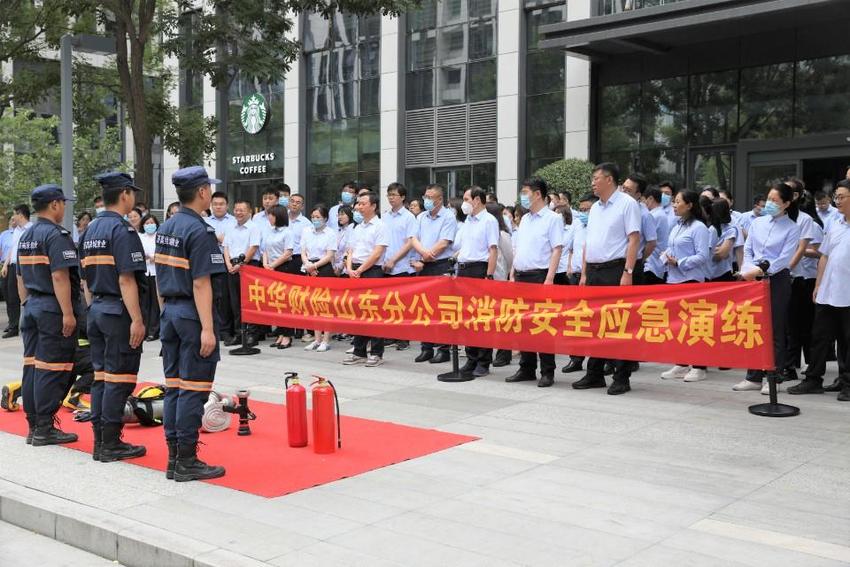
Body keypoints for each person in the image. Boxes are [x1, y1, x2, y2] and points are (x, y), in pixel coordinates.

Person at [155, 165, 227, 482]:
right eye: (208, 189)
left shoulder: (167, 227)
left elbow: (159, 277)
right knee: (193, 390)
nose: (210, 193)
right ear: (201, 192)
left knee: (174, 388)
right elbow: (201, 284)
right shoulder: (199, 231)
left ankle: (174, 457)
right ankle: (186, 459)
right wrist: (208, 329)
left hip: (170, 313)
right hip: (190, 316)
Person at [80, 172, 148, 462]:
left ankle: (100, 439)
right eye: (132, 192)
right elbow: (127, 280)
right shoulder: (122, 231)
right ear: (124, 195)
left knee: (100, 377)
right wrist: (137, 319)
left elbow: (84, 279)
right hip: (118, 311)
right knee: (119, 379)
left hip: (96, 308)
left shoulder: (89, 230)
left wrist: (93, 308)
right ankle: (110, 442)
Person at [17, 184, 81, 446]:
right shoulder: (56, 236)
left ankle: (34, 425)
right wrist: (68, 313)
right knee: (51, 368)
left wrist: (25, 305)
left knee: (32, 366)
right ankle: (44, 426)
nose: (64, 207)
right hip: (51, 308)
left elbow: (19, 276)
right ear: (54, 205)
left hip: (32, 306)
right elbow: (59, 275)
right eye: (63, 203)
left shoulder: (27, 236)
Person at [574, 163, 641, 395]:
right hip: (593, 271)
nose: (592, 183)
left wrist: (628, 272)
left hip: (616, 270)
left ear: (609, 179)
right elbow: (588, 242)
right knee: (594, 324)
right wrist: (584, 273)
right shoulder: (594, 209)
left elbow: (634, 240)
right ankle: (594, 373)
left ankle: (621, 376)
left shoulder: (627, 204)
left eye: (596, 178)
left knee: (618, 324)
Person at [733, 182, 802, 395]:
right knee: (753, 325)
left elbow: (784, 259)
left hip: (776, 279)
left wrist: (762, 270)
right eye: (768, 199)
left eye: (775, 201)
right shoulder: (757, 223)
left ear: (787, 203)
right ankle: (753, 375)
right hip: (752, 278)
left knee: (775, 328)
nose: (769, 203)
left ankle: (774, 376)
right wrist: (749, 269)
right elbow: (749, 247)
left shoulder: (792, 227)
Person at [788, 179, 850, 400]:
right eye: (837, 197)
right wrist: (818, 285)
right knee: (819, 337)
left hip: (848, 294)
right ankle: (813, 379)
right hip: (828, 291)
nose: (838, 201)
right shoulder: (835, 224)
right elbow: (824, 256)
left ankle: (847, 383)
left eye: (842, 197)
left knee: (846, 341)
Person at [506, 178, 563, 388]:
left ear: (537, 194)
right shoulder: (526, 219)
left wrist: (549, 278)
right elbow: (519, 248)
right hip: (520, 275)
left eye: (525, 191)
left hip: (539, 276)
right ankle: (526, 367)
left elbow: (557, 249)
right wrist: (512, 272)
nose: (522, 196)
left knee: (542, 325)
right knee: (523, 325)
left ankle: (547, 371)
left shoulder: (552, 219)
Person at [445, 186, 499, 381]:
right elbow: (465, 246)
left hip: (479, 269)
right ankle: (471, 357)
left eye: (467, 199)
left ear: (477, 200)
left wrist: (489, 276)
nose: (464, 203)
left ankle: (483, 362)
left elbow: (493, 250)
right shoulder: (468, 220)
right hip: (464, 269)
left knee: (481, 318)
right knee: (467, 317)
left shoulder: (489, 221)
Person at [659, 190, 711, 382]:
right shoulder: (676, 226)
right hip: (673, 280)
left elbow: (703, 256)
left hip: (691, 280)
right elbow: (670, 248)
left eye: (677, 201)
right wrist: (665, 258)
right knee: (679, 325)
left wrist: (680, 262)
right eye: (673, 202)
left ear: (689, 205)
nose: (673, 205)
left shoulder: (699, 228)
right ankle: (681, 363)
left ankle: (699, 366)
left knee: (694, 324)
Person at [410, 184, 457, 363]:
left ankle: (444, 349)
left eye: (430, 197)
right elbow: (413, 238)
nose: (426, 200)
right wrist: (423, 254)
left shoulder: (448, 217)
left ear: (439, 199)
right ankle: (426, 347)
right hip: (424, 264)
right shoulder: (421, 217)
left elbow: (444, 242)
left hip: (441, 265)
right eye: (425, 197)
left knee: (441, 308)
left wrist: (427, 256)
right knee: (424, 307)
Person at [342, 192, 388, 367]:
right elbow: (350, 250)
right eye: (358, 204)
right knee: (357, 312)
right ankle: (358, 351)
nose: (358, 207)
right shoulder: (357, 227)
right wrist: (349, 268)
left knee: (373, 312)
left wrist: (360, 269)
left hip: (371, 271)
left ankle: (376, 352)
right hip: (355, 271)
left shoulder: (380, 226)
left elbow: (377, 252)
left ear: (373, 206)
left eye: (362, 204)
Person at [786, 190, 824, 380]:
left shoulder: (810, 223)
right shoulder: (782, 222)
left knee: (804, 325)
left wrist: (799, 251)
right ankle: (791, 364)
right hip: (792, 277)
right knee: (792, 326)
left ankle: (809, 363)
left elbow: (819, 252)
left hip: (807, 278)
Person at [561, 194, 597, 374]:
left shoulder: (597, 226)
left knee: (592, 319)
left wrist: (584, 274)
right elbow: (573, 249)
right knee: (576, 320)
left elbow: (589, 252)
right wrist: (569, 266)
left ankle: (600, 360)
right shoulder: (577, 225)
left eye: (587, 209)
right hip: (574, 275)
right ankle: (576, 358)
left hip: (588, 276)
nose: (583, 213)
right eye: (581, 210)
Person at [380, 183, 416, 351]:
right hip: (385, 266)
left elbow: (410, 243)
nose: (391, 198)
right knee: (388, 303)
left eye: (394, 194)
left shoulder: (409, 217)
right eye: (389, 195)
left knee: (402, 303)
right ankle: (390, 335)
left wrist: (394, 260)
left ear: (402, 197)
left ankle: (403, 338)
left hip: (401, 266)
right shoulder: (385, 217)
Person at [222, 201, 261, 346]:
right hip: (231, 266)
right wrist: (228, 264)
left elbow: (253, 248)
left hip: (248, 266)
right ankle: (239, 333)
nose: (238, 212)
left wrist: (240, 265)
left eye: (242, 210)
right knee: (235, 302)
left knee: (249, 301)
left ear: (249, 211)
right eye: (236, 210)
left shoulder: (254, 227)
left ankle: (251, 334)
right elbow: (226, 247)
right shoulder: (230, 227)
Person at [301, 205, 337, 352]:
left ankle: (326, 339)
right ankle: (317, 339)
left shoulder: (330, 233)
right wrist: (308, 265)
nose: (315, 220)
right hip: (309, 267)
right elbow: (303, 251)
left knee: (325, 305)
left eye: (318, 217)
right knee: (313, 304)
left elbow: (330, 255)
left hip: (324, 268)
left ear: (325, 219)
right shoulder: (306, 231)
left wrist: (315, 266)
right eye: (313, 217)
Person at [205, 191, 237, 343]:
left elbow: (229, 241)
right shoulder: (204, 220)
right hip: (207, 262)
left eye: (221, 204)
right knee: (208, 296)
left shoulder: (233, 221)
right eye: (215, 204)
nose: (218, 207)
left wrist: (215, 237)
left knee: (225, 298)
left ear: (227, 205)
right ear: (211, 205)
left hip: (226, 261)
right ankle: (212, 329)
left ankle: (225, 330)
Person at [261, 205, 294, 349]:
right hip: (270, 268)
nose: (269, 218)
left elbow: (288, 253)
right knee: (275, 303)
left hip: (283, 268)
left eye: (271, 215)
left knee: (285, 303)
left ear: (278, 216)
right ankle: (280, 333)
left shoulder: (287, 232)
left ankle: (287, 335)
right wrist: (266, 264)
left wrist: (273, 265)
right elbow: (265, 250)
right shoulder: (270, 232)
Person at [2, 204, 33, 338]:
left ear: (21, 215)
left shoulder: (32, 229)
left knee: (26, 296)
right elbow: (12, 249)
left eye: (14, 214)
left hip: (26, 266)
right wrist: (5, 265)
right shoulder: (16, 231)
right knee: (11, 296)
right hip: (13, 265)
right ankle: (13, 326)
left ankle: (29, 323)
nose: (13, 217)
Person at [621, 173, 657, 285]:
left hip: (632, 265)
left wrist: (640, 258)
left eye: (628, 190)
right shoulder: (617, 208)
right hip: (613, 265)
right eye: (623, 188)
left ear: (638, 195)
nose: (623, 192)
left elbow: (651, 243)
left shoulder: (645, 215)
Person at [139, 214, 161, 341]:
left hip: (156, 272)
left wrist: (153, 258)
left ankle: (154, 330)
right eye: (146, 223)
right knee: (145, 303)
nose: (149, 225)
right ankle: (145, 329)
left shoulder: (159, 237)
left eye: (151, 223)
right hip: (144, 272)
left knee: (155, 303)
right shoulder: (140, 237)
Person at [643, 187, 669, 284]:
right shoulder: (660, 214)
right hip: (656, 263)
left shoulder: (654, 216)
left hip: (651, 264)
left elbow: (647, 240)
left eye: (643, 200)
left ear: (650, 199)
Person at [553, 205, 573, 286]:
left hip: (565, 269)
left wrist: (569, 266)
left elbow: (572, 249)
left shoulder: (571, 229)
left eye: (558, 214)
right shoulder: (552, 229)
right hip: (553, 269)